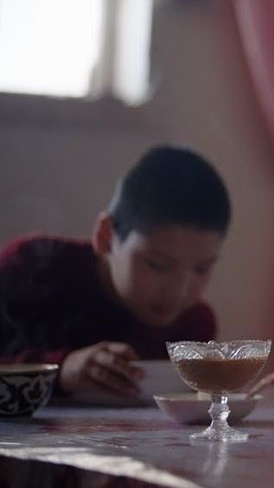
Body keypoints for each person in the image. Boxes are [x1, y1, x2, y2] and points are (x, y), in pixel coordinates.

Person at [0, 145, 230, 400]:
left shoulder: (193, 326)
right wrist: (60, 370)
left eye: (201, 268)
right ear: (106, 237)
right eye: (157, 264)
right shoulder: (30, 269)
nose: (178, 291)